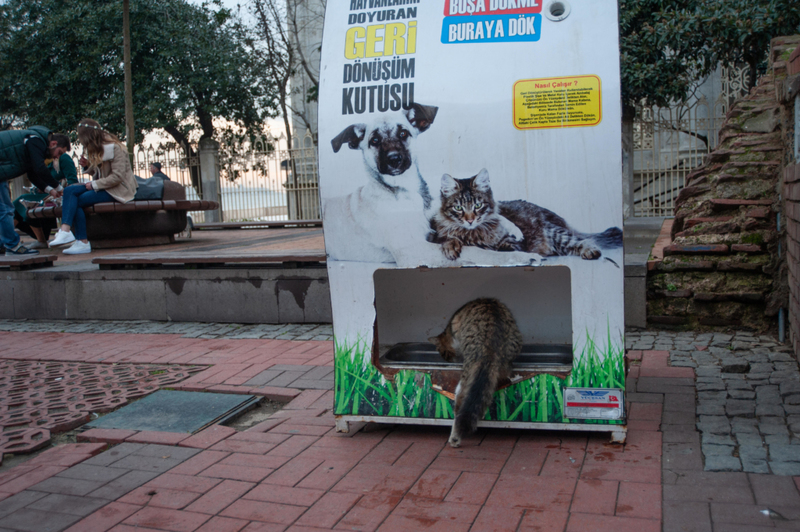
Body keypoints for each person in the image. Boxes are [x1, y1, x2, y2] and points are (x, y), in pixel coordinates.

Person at [49, 119, 138, 254]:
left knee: (75, 198)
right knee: (69, 191)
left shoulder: (115, 148)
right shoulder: (100, 148)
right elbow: (100, 172)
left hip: (118, 190)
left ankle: (79, 239)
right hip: (105, 187)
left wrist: (94, 184)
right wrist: (87, 166)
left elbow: (117, 177)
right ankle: (70, 234)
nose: (82, 142)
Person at [0, 127, 70, 255]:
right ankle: (12, 246)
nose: (57, 157)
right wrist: (58, 187)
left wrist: (50, 190)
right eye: (59, 153)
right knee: (5, 209)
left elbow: (32, 173)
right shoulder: (35, 140)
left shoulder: (32, 140)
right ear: (53, 144)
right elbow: (39, 168)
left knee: (4, 208)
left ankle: (3, 245)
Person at [13, 151, 79, 248]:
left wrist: (58, 188)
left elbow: (73, 182)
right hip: (45, 196)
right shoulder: (45, 160)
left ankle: (7, 240)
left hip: (57, 197)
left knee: (21, 201)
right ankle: (6, 239)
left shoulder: (63, 158)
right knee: (18, 206)